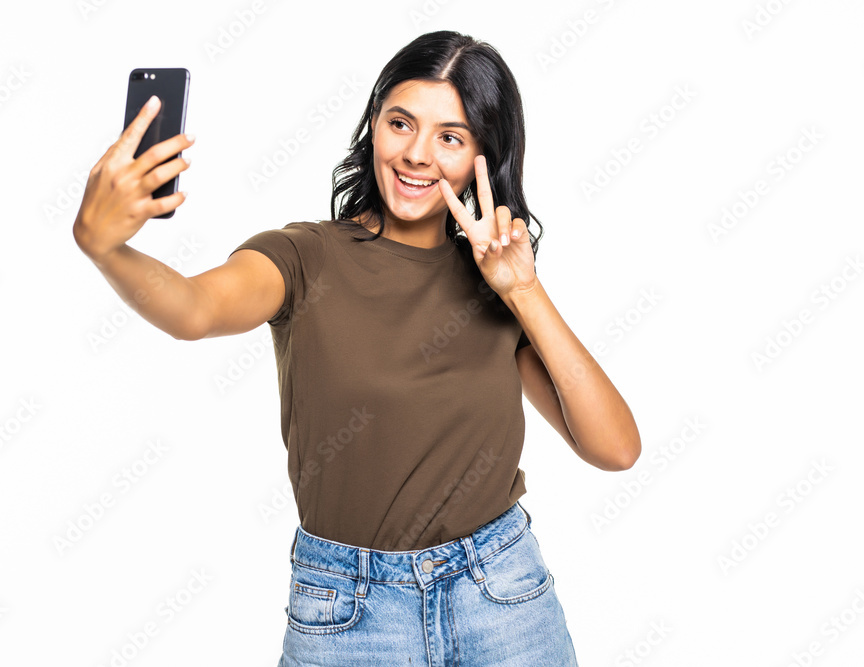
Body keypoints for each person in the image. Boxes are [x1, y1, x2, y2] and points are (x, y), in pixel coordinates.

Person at [73, 29, 639, 667]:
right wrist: (106, 248)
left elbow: (615, 448)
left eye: (450, 138)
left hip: (501, 597)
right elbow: (192, 310)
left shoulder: (496, 283)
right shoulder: (304, 257)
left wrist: (524, 291)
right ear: (374, 125)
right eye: (401, 124)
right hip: (347, 612)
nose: (417, 155)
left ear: (485, 155)